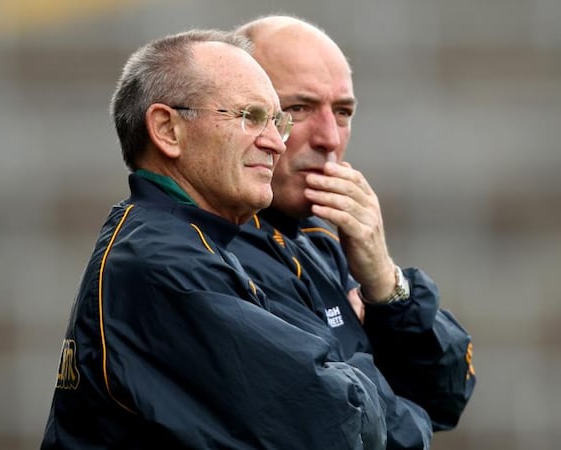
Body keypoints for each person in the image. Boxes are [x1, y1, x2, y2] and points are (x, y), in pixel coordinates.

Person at [40, 29, 388, 449]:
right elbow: (339, 419)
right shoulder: (165, 264)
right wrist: (358, 352)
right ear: (167, 129)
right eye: (250, 117)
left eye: (277, 121)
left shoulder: (183, 243)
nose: (276, 143)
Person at [229, 16, 476, 448]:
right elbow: (354, 430)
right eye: (298, 109)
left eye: (342, 112)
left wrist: (385, 284)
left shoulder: (322, 240)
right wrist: (407, 415)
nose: (328, 137)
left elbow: (448, 395)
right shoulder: (215, 244)